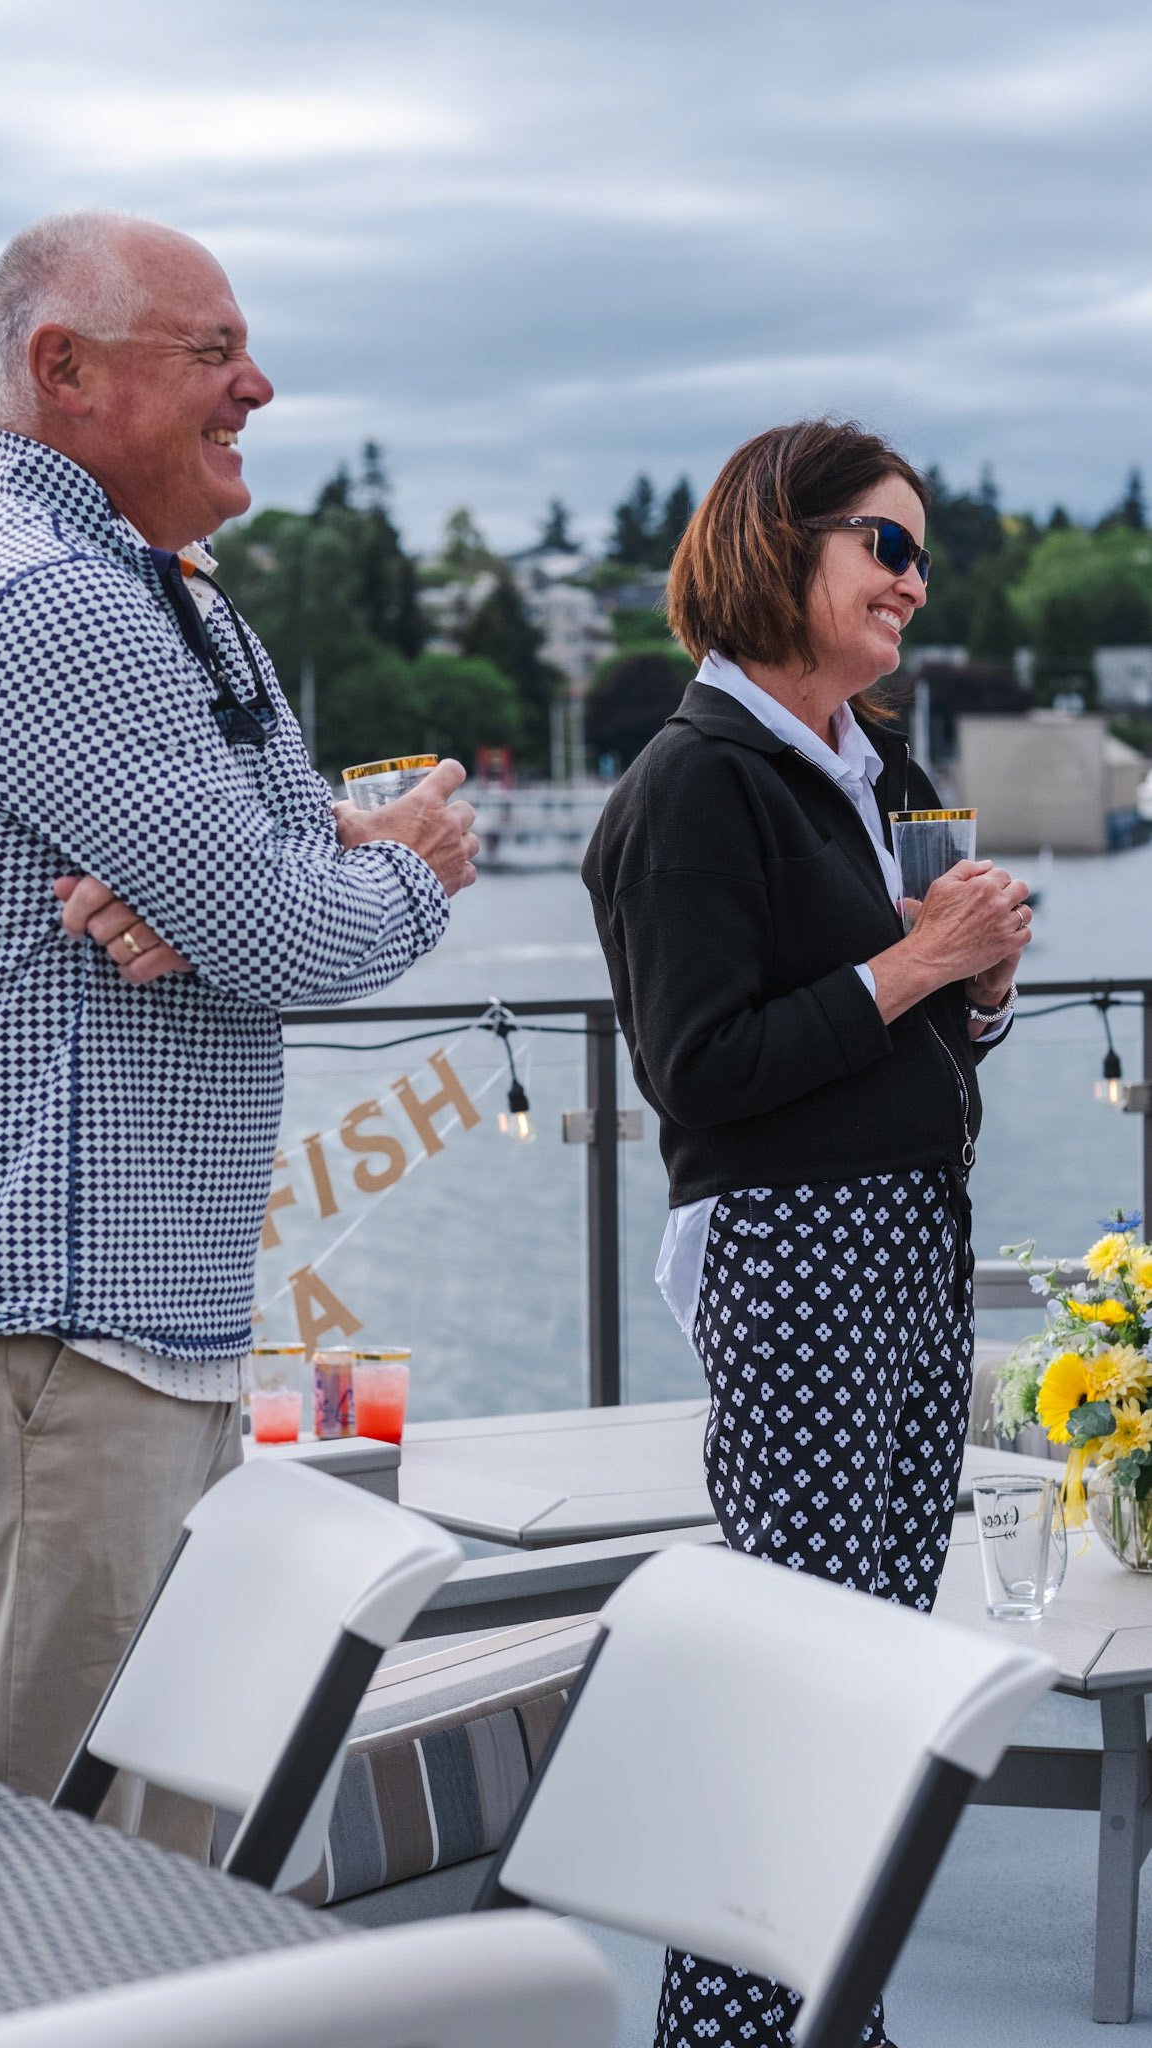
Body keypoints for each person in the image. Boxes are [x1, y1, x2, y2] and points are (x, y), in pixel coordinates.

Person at [0, 209, 476, 1854]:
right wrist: (396, 871)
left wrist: (234, 892)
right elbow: (293, 927)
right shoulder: (54, 605)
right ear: (63, 369)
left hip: (99, 1364)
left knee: (150, 1891)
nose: (257, 386)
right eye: (212, 352)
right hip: (44, 1367)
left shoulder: (145, 593)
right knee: (35, 1906)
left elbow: (272, 867)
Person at [583, 419, 1029, 2048]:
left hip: (902, 1239)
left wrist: (974, 991)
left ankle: (826, 2012)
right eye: (883, 545)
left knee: (867, 1671)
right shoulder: (693, 783)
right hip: (795, 1259)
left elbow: (889, 1031)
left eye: (920, 552)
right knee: (800, 1673)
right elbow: (700, 1071)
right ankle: (730, 2030)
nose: (912, 580)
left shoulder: (866, 768)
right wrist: (916, 969)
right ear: (779, 545)